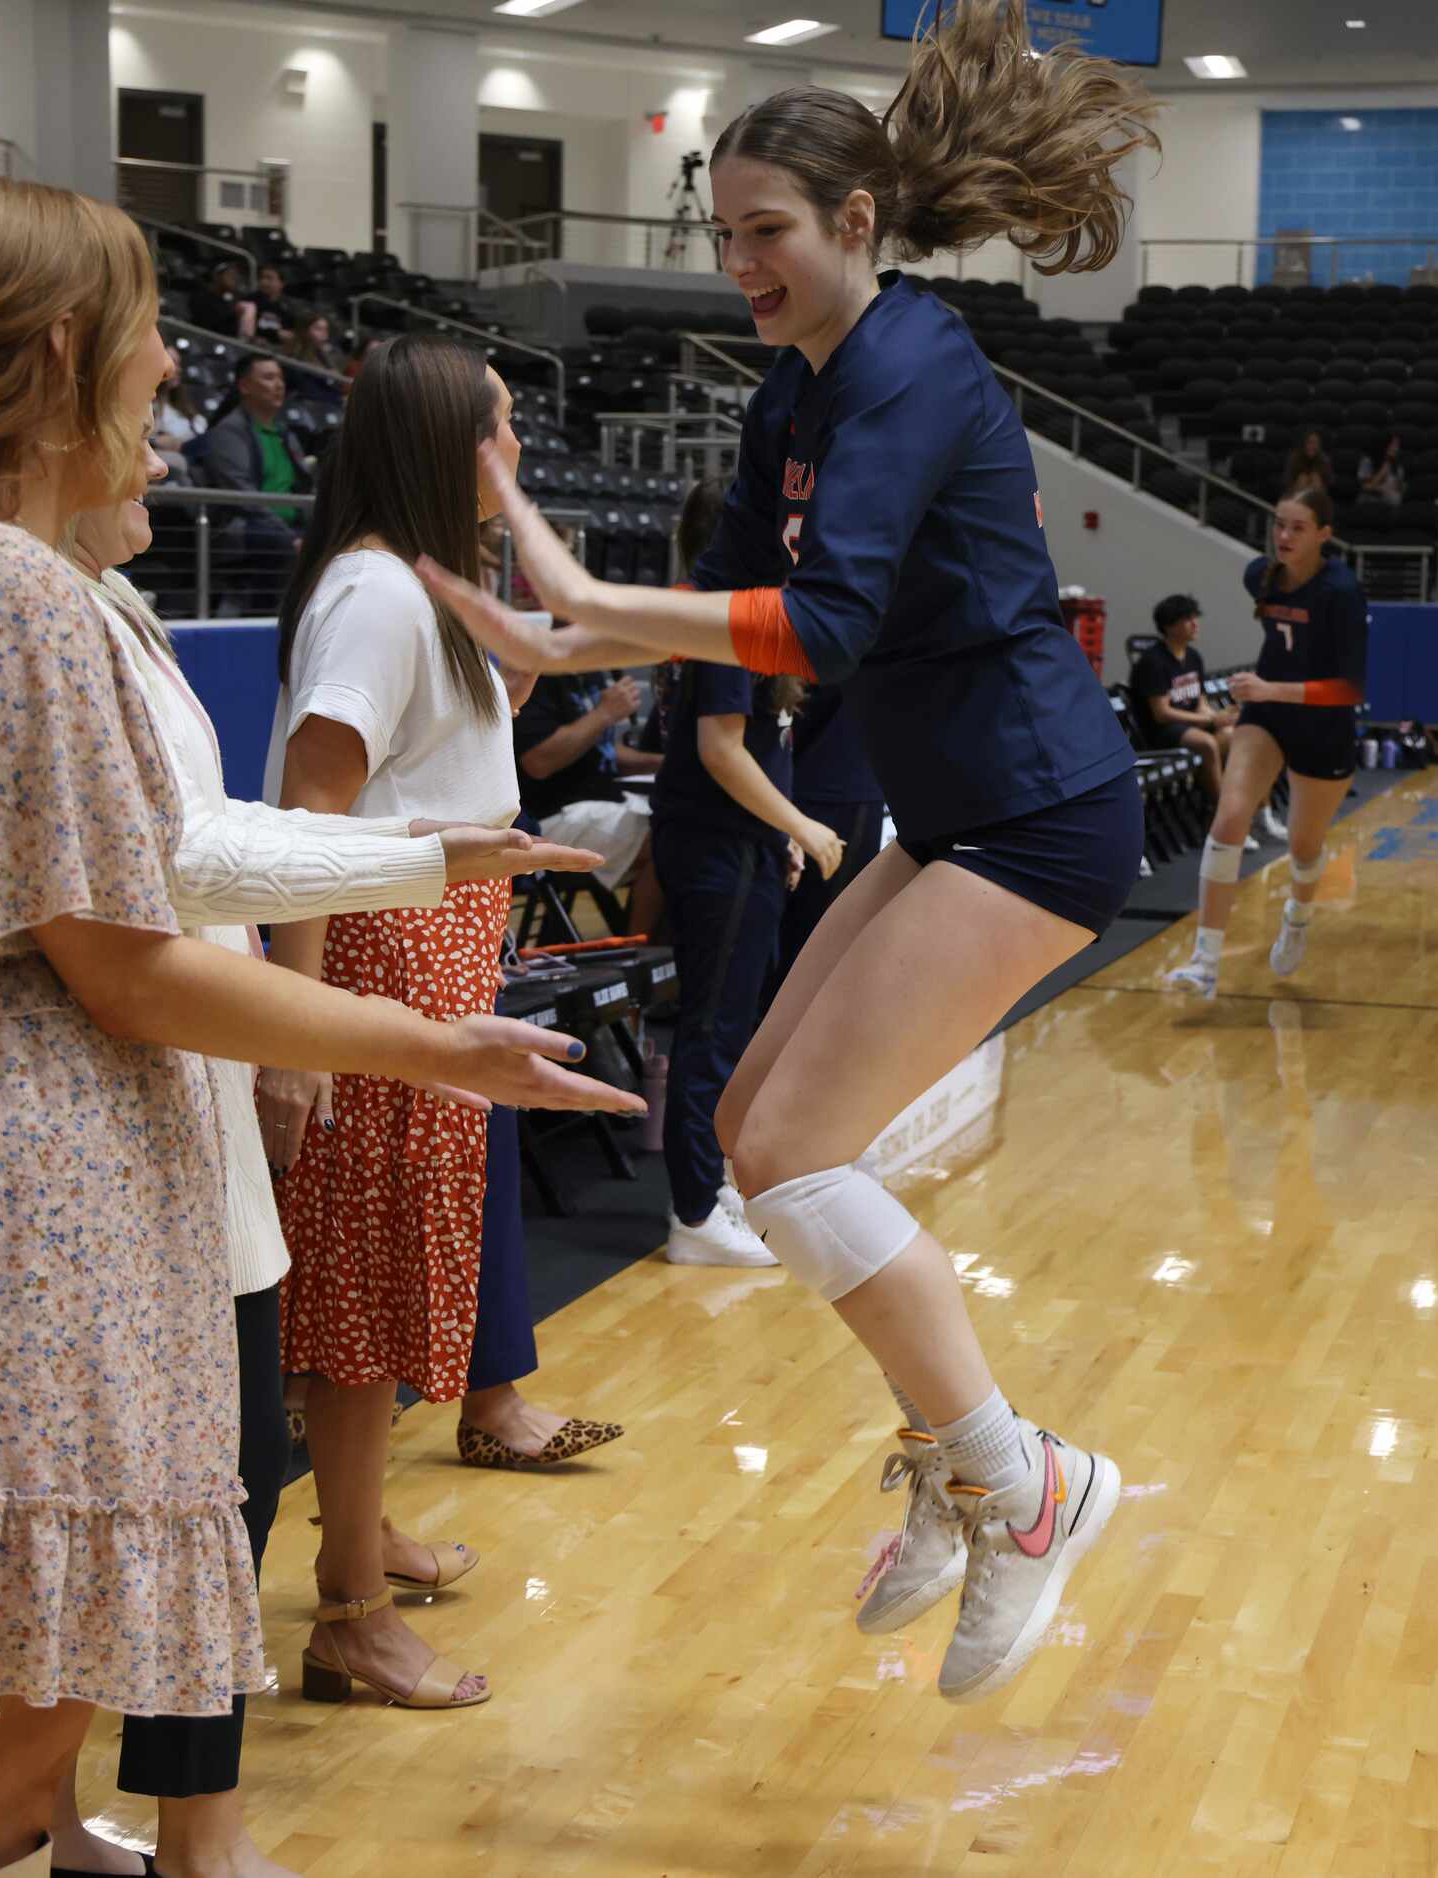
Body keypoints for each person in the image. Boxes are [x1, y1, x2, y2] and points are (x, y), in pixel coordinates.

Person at [0, 177, 634, 1878]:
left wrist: (416, 885)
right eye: (147, 344)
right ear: (66, 351)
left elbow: (110, 892)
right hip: (7, 1211)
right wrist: (438, 1041)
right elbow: (129, 958)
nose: (168, 378)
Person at [418, 0, 1159, 1706]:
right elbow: (733, 622)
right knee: (757, 1133)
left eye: (767, 233)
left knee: (805, 1152)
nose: (740, 261)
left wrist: (600, 613)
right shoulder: (795, 393)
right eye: (723, 232)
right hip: (961, 803)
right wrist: (576, 641)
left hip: (1039, 810)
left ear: (857, 227)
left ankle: (1025, 1480)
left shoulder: (911, 366)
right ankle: (964, 1454)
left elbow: (816, 624)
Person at [260, 334, 624, 1711]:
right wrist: (298, 1032)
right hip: (372, 970)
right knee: (357, 1304)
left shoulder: (414, 588)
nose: (522, 455)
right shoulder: (370, 594)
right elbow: (310, 812)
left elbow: (436, 753)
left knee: (399, 1281)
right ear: (446, 448)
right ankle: (347, 1611)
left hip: (428, 957)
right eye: (504, 433)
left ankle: (356, 1536)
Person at [648, 479, 843, 1269]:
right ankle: (691, 1215)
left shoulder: (754, 615)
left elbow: (763, 746)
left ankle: (711, 1188)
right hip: (714, 845)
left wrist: (781, 833)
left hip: (745, 842)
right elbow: (719, 748)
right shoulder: (725, 612)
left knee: (737, 1023)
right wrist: (799, 825)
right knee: (711, 1030)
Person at [1162, 488, 1368, 1000]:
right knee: (1231, 817)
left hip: (1324, 725)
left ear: (1325, 533)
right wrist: (1262, 695)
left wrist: (1271, 686)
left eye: (1299, 527)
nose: (1284, 535)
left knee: (1303, 845)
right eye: (1280, 524)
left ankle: (1297, 917)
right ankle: (1204, 964)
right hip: (1267, 716)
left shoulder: (1341, 590)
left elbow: (1351, 687)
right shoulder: (1260, 575)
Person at [513, 659, 664, 938]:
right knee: (670, 837)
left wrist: (665, 763)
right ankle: (639, 953)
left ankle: (652, 948)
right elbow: (539, 761)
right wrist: (605, 714)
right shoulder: (536, 673)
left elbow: (604, 751)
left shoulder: (589, 669)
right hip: (550, 814)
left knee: (684, 819)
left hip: (605, 800)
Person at [201, 355, 310, 609]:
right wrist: (289, 537)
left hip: (291, 526)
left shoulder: (286, 435)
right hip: (247, 527)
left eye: (281, 378)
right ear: (244, 386)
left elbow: (304, 486)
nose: (279, 385)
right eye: (269, 378)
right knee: (279, 544)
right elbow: (243, 497)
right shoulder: (228, 432)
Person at [1133, 593, 1237, 803]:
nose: (1195, 624)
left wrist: (1220, 716)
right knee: (1207, 744)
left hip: (1191, 724)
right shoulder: (1153, 662)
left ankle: (1240, 807)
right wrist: (1209, 720)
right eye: (1188, 619)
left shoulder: (1193, 657)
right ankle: (1221, 815)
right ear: (1170, 626)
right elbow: (1162, 714)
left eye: (1195, 618)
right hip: (1162, 731)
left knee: (1232, 733)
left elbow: (1201, 703)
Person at [187, 259, 253, 341]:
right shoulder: (201, 297)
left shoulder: (236, 299)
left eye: (236, 275)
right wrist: (234, 314)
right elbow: (207, 324)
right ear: (217, 276)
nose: (235, 278)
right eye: (230, 275)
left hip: (233, 345)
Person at [250, 263, 297, 345]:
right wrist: (275, 334)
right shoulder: (250, 301)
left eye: (269, 278)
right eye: (261, 278)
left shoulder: (287, 308)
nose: (263, 282)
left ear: (281, 283)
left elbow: (291, 333)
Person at [1358, 432, 1406, 507]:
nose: (1396, 448)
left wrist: (1401, 486)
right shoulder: (1368, 460)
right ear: (1385, 445)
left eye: (1397, 445)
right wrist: (1385, 468)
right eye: (1394, 445)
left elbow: (1400, 486)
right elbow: (1365, 486)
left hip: (1392, 503)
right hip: (1371, 500)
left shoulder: (1398, 464)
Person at [1284, 430, 1332, 499]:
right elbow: (1288, 481)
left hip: (1317, 498)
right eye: (1309, 443)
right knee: (1302, 478)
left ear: (1319, 446)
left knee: (1316, 478)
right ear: (1304, 444)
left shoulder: (1324, 459)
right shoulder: (1295, 458)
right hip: (1295, 496)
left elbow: (1328, 482)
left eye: (1315, 443)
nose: (1312, 446)